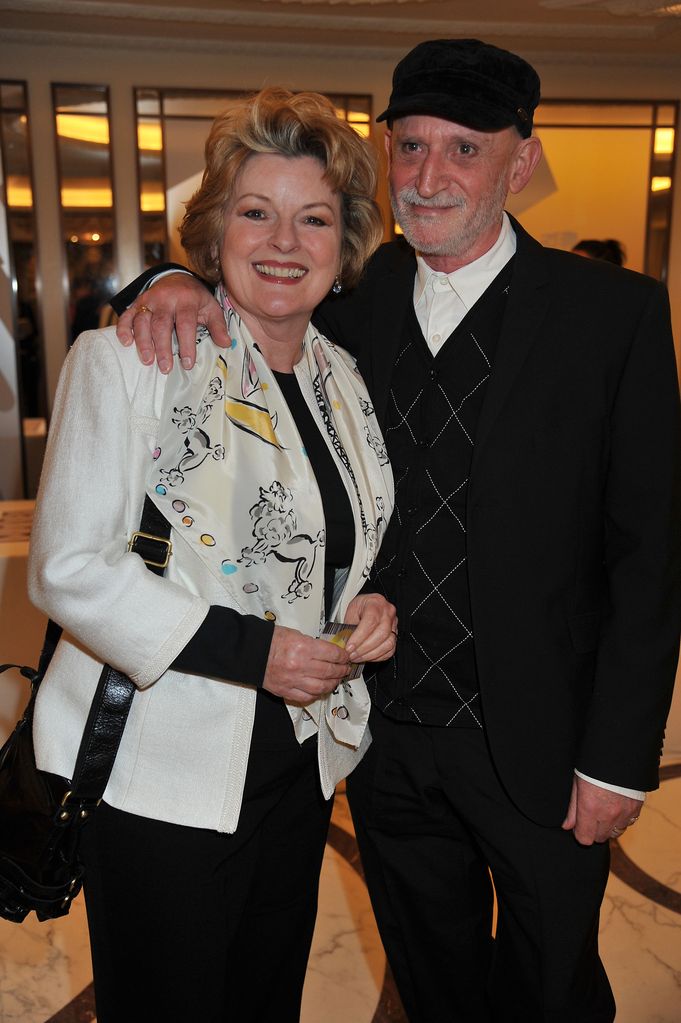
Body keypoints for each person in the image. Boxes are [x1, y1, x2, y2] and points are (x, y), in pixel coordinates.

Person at [112, 39, 681, 1023]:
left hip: (545, 747)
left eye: (464, 149)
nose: (428, 177)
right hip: (381, 738)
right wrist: (164, 278)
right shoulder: (348, 300)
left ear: (523, 160)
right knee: (434, 981)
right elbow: (250, 261)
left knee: (554, 988)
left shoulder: (613, 315)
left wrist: (619, 758)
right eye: (410, 147)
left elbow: (651, 555)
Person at [27, 87, 396, 1023]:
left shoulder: (339, 377)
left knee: (265, 997)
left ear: (343, 240)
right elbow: (68, 568)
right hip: (161, 771)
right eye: (254, 211)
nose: (283, 240)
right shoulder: (132, 360)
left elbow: (332, 540)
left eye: (312, 217)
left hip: (295, 766)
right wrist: (254, 651)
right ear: (214, 227)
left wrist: (370, 602)